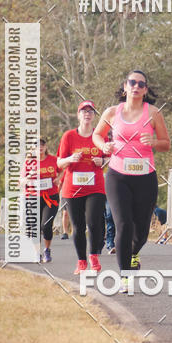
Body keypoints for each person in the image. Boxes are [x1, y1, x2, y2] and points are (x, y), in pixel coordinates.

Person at [93, 71, 170, 291]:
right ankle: (125, 276)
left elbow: (166, 143)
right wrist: (103, 146)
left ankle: (134, 253)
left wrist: (154, 141)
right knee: (123, 225)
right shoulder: (111, 112)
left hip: (145, 177)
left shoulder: (153, 113)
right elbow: (97, 135)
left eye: (141, 84)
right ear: (125, 86)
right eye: (132, 82)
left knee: (142, 231)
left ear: (145, 90)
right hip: (118, 176)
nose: (136, 86)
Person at [57, 102, 106, 273]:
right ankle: (81, 261)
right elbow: (59, 163)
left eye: (91, 111)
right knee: (77, 226)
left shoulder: (100, 136)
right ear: (78, 115)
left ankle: (94, 256)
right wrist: (70, 159)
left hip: (96, 187)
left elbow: (113, 159)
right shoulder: (68, 136)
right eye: (84, 111)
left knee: (93, 223)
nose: (87, 114)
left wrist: (103, 161)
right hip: (73, 188)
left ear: (94, 116)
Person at [20, 139, 60, 262]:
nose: (40, 147)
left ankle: (47, 250)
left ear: (45, 147)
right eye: (37, 146)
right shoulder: (28, 163)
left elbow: (64, 170)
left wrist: (59, 178)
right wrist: (28, 177)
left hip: (50, 197)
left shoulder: (53, 160)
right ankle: (37, 253)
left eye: (42, 145)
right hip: (32, 197)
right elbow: (20, 182)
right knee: (34, 227)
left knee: (46, 225)